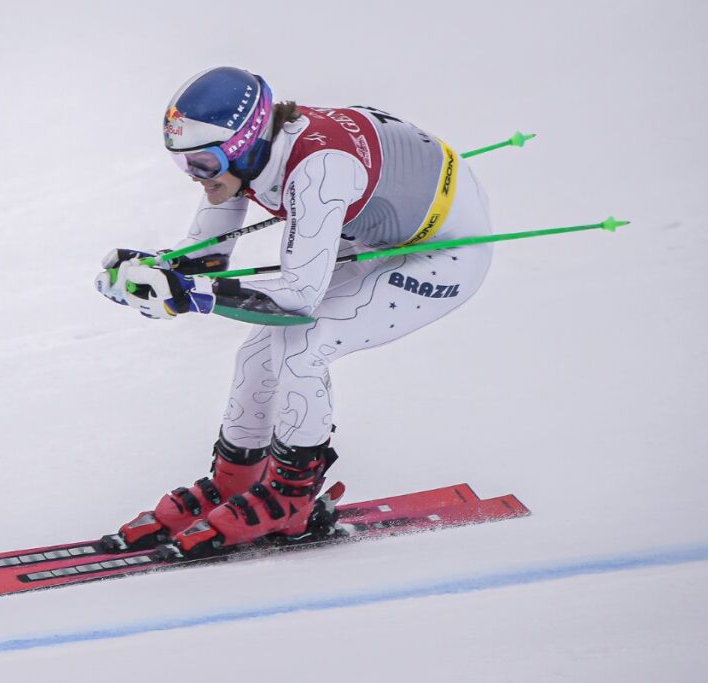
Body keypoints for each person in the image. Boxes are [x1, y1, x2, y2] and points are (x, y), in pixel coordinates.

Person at [95, 66, 494, 555]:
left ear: (243, 146)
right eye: (184, 165)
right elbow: (206, 251)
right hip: (382, 233)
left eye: (201, 164)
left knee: (303, 346)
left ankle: (292, 500)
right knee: (257, 358)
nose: (196, 179)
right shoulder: (249, 157)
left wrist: (187, 293)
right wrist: (153, 269)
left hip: (447, 252)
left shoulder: (319, 171)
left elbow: (296, 298)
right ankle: (234, 482)